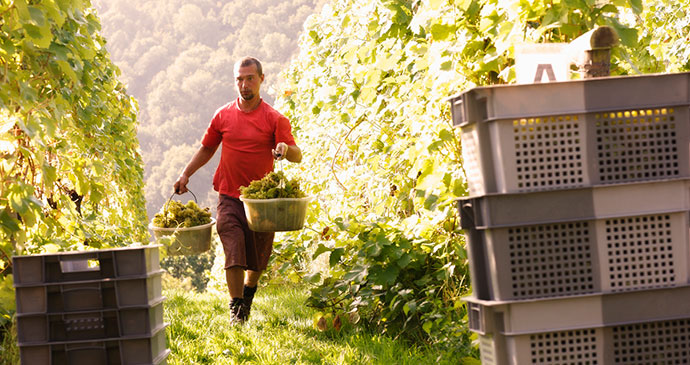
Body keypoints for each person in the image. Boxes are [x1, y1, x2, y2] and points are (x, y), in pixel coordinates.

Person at [174, 56, 302, 323]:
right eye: (239, 79)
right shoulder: (223, 115)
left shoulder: (275, 119)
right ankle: (236, 310)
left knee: (257, 259)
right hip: (230, 196)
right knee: (232, 247)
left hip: (260, 204)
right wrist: (186, 173)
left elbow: (297, 155)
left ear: (261, 80)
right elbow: (207, 148)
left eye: (250, 78)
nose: (244, 85)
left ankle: (248, 292)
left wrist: (285, 149)